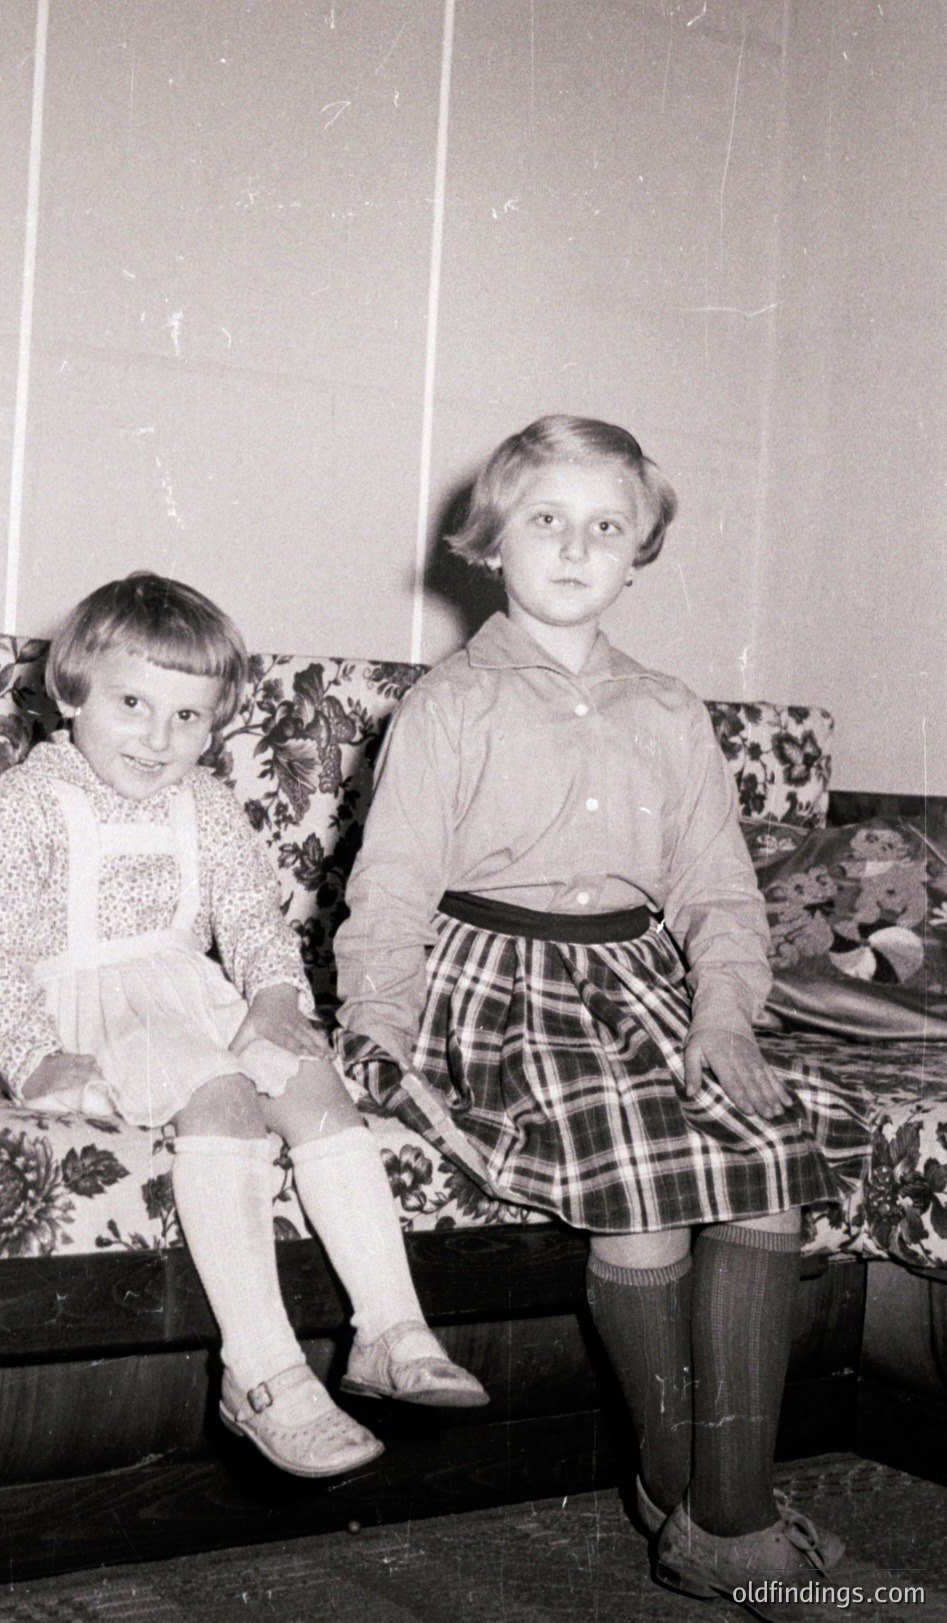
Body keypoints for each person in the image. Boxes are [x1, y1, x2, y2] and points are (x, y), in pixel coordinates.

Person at [334, 418, 870, 1605]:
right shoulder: (447, 707)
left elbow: (720, 889)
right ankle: (710, 1508)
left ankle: (717, 1513)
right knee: (642, 1199)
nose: (577, 548)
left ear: (641, 552)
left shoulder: (672, 712)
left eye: (607, 526)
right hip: (501, 986)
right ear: (488, 544)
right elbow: (392, 886)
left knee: (771, 1164)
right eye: (546, 521)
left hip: (640, 983)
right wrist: (374, 1025)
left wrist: (723, 1016)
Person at [0, 572, 487, 1482]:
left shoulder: (202, 803)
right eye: (132, 703)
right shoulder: (17, 806)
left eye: (190, 717)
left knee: (312, 1085)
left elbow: (251, 921)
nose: (160, 739)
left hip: (190, 993)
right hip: (80, 1001)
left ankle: (390, 1330)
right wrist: (32, 1057)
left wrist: (277, 1003)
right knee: (223, 1093)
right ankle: (264, 1370)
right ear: (72, 692)